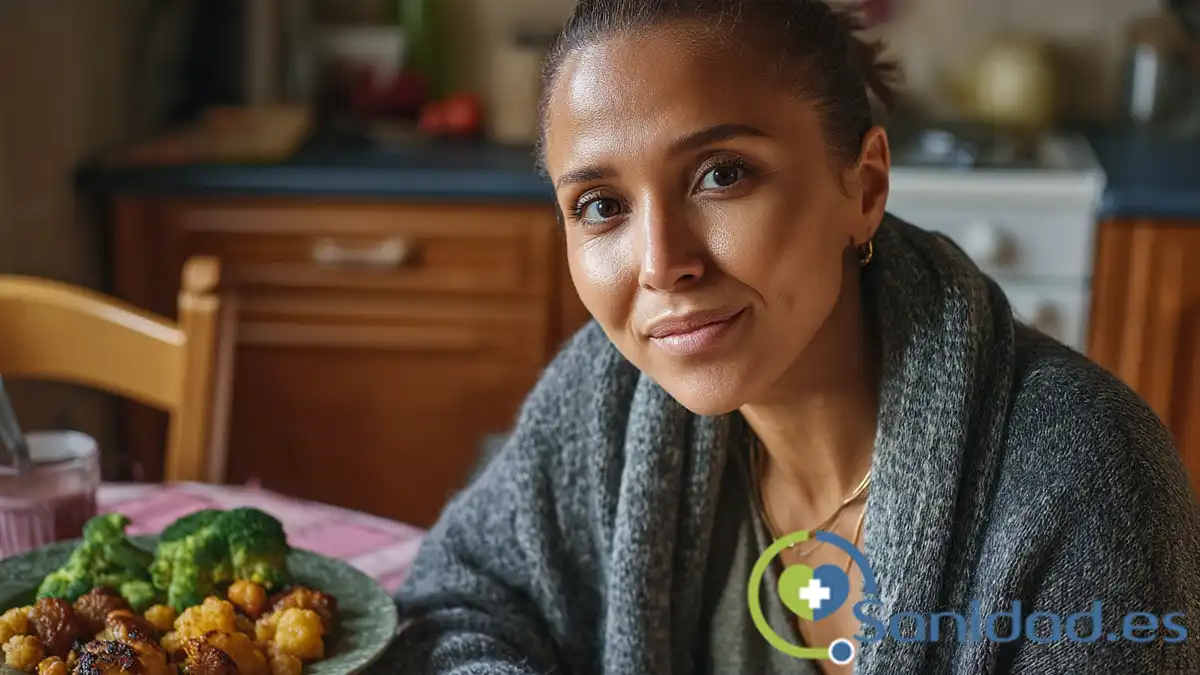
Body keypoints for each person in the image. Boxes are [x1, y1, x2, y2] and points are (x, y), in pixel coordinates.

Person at [389, 1, 1200, 673]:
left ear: (865, 186)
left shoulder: (1086, 480)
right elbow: (456, 598)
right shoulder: (607, 394)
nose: (663, 264)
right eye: (602, 205)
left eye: (722, 174)